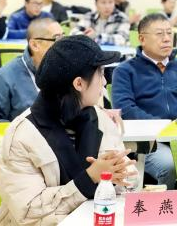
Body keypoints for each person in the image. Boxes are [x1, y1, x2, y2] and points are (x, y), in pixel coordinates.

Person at [0, 35, 135, 224]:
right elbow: (28, 211)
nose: (105, 82)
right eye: (100, 73)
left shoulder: (100, 118)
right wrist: (89, 179)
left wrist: (119, 176)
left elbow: (126, 184)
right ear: (79, 83)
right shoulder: (21, 136)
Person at [112, 14, 177, 189]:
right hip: (151, 140)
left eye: (169, 33)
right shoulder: (125, 71)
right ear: (142, 39)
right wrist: (164, 127)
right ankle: (166, 203)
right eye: (159, 34)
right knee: (169, 165)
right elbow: (125, 108)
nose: (166, 39)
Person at [0, 17, 63, 121]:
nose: (63, 45)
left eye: (63, 38)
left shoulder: (65, 69)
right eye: (56, 39)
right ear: (34, 45)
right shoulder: (5, 76)